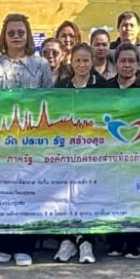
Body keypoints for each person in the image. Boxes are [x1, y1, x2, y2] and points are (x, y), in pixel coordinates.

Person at [0, 13, 53, 266]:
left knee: (28, 192)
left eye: (20, 32)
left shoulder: (41, 65)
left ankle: (25, 246)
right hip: (1, 137)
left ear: (28, 35)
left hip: (32, 139)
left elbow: (49, 101)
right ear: (4, 36)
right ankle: (3, 245)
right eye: (11, 32)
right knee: (1, 192)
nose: (16, 37)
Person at [50, 42, 105, 263]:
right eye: (78, 61)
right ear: (71, 62)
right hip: (65, 150)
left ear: (92, 62)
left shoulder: (103, 87)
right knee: (65, 195)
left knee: (87, 196)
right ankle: (67, 241)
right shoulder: (61, 86)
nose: (82, 65)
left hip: (93, 151)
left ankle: (86, 242)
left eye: (86, 60)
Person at [105, 42, 140, 258]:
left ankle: (135, 242)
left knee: (136, 197)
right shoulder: (103, 90)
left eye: (131, 61)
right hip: (109, 154)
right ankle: (114, 241)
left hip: (138, 153)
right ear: (115, 64)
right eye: (122, 61)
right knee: (112, 195)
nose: (126, 65)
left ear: (138, 64)